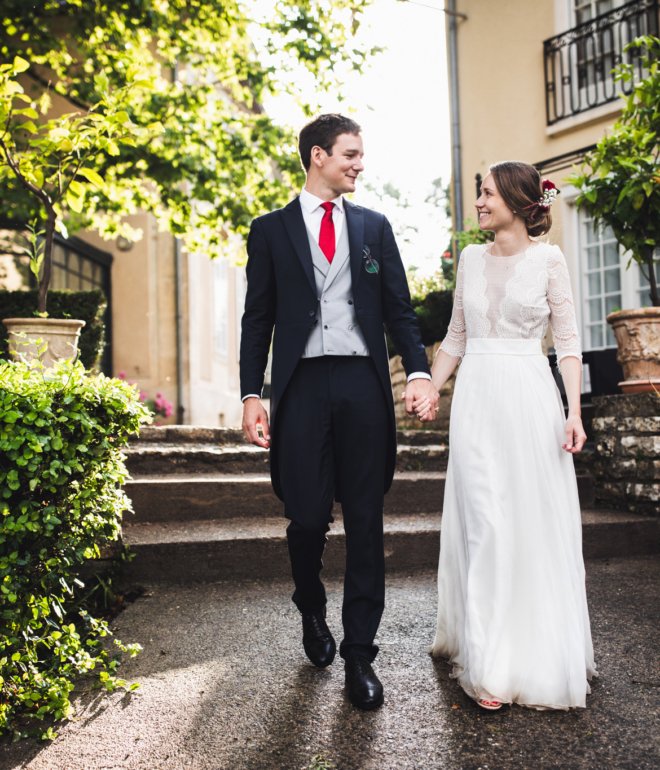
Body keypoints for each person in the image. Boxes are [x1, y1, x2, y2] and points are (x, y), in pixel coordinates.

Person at [239, 114, 438, 710]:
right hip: (300, 386)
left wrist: (419, 371)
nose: (358, 164)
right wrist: (253, 393)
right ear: (318, 155)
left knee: (367, 521)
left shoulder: (374, 227)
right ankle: (309, 605)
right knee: (304, 518)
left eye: (360, 155)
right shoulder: (271, 230)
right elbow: (258, 318)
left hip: (361, 383)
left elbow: (399, 310)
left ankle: (360, 656)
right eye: (349, 154)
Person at [416, 161, 597, 710]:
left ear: (518, 202)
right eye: (479, 194)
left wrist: (574, 412)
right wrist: (431, 386)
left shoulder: (549, 260)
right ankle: (489, 662)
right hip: (475, 401)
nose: (478, 202)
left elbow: (566, 342)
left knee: (527, 523)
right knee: (485, 522)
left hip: (529, 399)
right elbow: (456, 336)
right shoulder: (470, 259)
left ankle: (527, 649)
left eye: (487, 193)